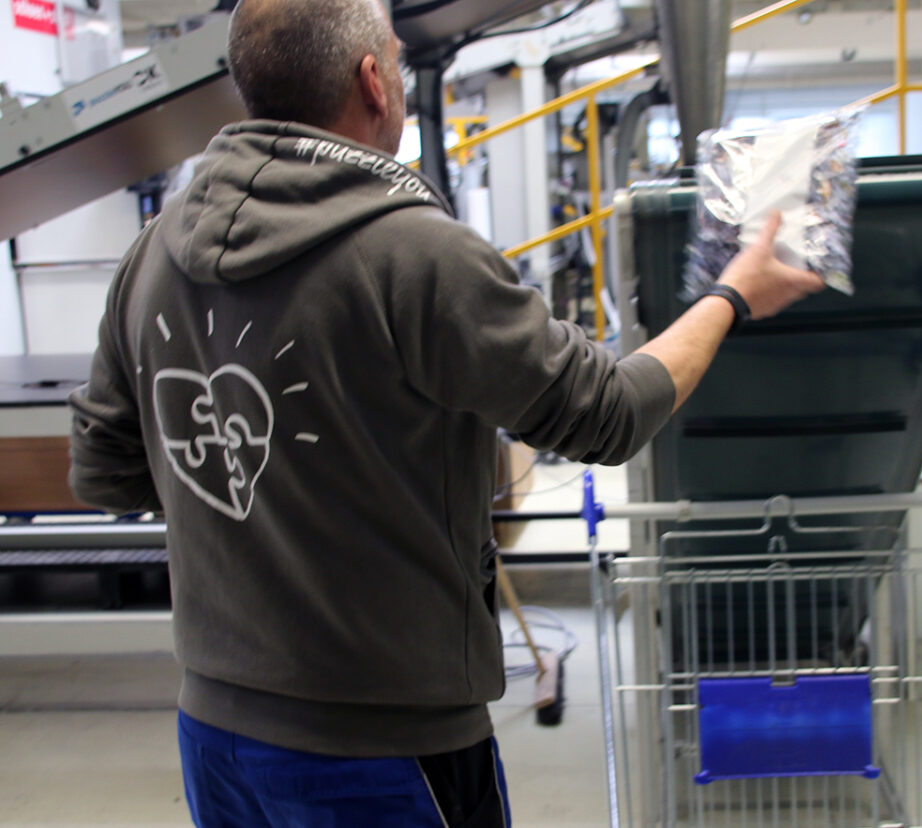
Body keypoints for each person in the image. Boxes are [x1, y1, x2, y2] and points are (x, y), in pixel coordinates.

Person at [65, 0, 825, 824]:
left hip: (215, 735)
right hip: (383, 748)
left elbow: (107, 474)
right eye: (395, 58)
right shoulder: (417, 255)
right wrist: (730, 296)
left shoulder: (150, 252)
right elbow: (607, 413)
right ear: (374, 81)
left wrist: (262, 499)